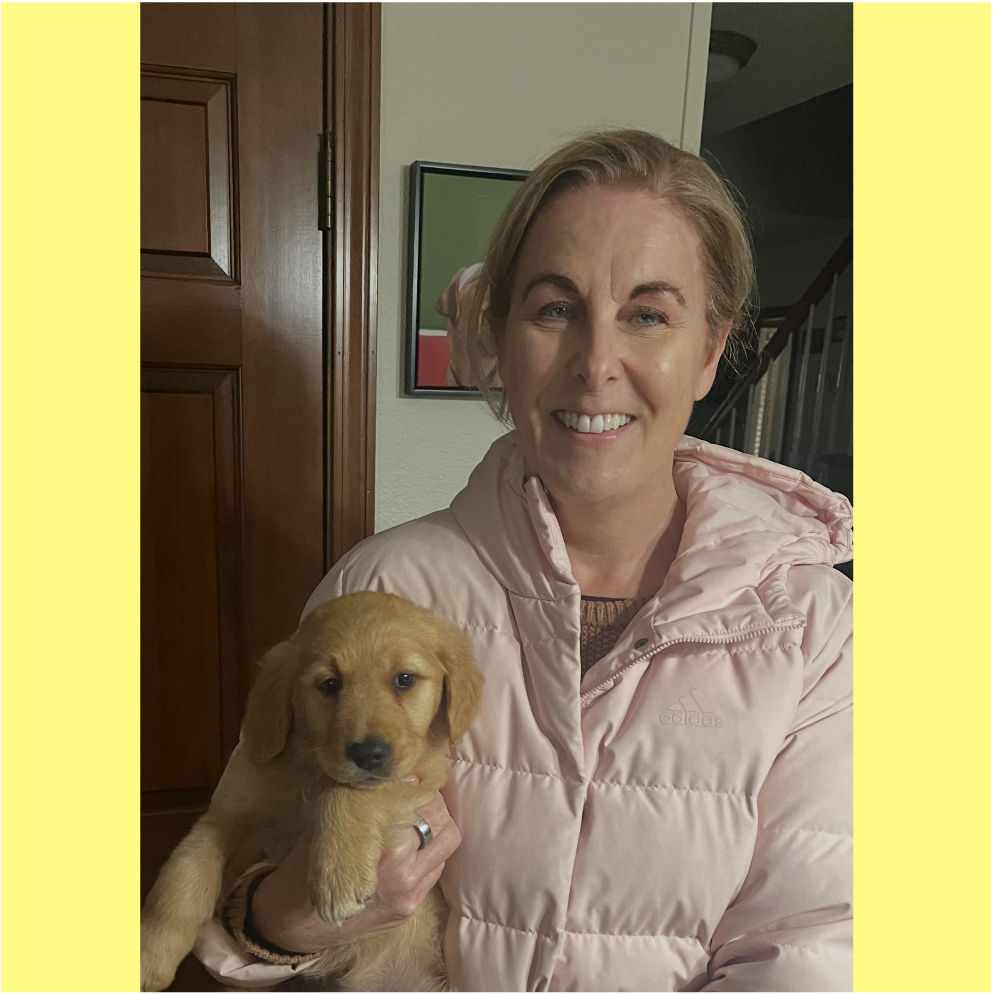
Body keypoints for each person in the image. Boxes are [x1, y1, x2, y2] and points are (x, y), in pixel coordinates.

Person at [195, 130, 853, 992]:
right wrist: (291, 916)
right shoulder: (383, 588)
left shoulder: (814, 629)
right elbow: (239, 875)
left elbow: (815, 946)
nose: (596, 364)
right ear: (501, 339)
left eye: (648, 315)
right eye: (554, 310)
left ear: (708, 351)